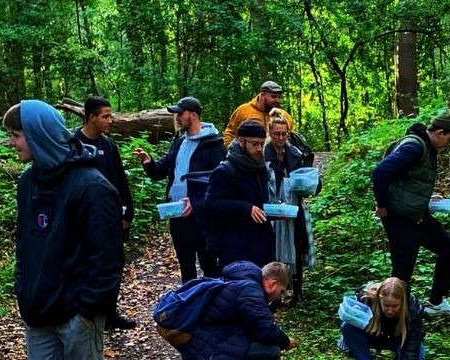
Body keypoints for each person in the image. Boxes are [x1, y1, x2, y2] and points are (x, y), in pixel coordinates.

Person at [3, 100, 127, 360]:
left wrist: (89, 310)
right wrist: (23, 289)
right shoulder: (29, 181)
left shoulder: (91, 185)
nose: (12, 143)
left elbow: (107, 258)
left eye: (17, 135)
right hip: (39, 307)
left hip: (78, 312)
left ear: (38, 136)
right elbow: (25, 243)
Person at [371, 113, 450, 316]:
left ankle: (436, 302)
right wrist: (382, 205)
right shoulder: (414, 147)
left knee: (449, 248)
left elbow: (408, 181)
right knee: (403, 271)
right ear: (440, 132)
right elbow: (381, 172)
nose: (449, 144)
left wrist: (427, 199)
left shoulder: (427, 148)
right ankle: (391, 315)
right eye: (449, 139)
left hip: (417, 215)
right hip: (399, 218)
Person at [177, 261, 295, 360]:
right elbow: (265, 330)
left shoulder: (241, 280)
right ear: (272, 283)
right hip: (204, 345)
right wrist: (286, 342)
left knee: (244, 341)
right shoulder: (251, 291)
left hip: (197, 339)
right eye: (281, 291)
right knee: (270, 353)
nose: (280, 296)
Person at [133, 96, 225, 282]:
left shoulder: (213, 144)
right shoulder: (179, 142)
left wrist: (196, 200)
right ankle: (189, 299)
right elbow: (161, 171)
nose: (177, 118)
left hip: (202, 216)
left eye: (181, 114)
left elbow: (218, 181)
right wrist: (148, 163)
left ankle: (212, 298)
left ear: (194, 115)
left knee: (209, 264)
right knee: (186, 264)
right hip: (178, 214)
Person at [73, 95, 136, 330]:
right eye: (105, 116)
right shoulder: (72, 144)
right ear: (91, 117)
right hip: (81, 218)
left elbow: (120, 182)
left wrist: (127, 214)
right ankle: (84, 311)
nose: (111, 120)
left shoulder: (109, 147)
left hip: (110, 218)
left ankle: (109, 313)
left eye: (111, 116)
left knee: (113, 263)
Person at [204, 120, 275, 268]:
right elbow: (211, 204)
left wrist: (275, 211)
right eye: (254, 144)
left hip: (262, 244)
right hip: (235, 248)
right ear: (241, 141)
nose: (259, 149)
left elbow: (259, 202)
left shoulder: (260, 167)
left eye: (262, 144)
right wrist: (245, 208)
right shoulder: (225, 171)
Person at [264, 108, 317, 304]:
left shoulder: (295, 153)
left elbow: (308, 178)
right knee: (272, 250)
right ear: (270, 133)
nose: (280, 138)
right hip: (272, 209)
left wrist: (307, 184)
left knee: (297, 245)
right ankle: (274, 294)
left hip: (294, 207)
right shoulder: (263, 155)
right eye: (277, 134)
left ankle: (297, 290)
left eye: (284, 134)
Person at [340, 277, 425, 360]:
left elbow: (411, 346)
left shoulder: (412, 308)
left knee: (417, 359)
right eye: (386, 305)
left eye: (395, 306)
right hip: (373, 334)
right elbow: (349, 326)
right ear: (379, 299)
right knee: (348, 326)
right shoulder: (366, 299)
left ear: (403, 302)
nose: (390, 310)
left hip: (398, 339)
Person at [222, 80, 294, 146]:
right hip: (247, 155)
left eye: (279, 97)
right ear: (262, 95)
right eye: (273, 97)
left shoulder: (284, 115)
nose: (277, 100)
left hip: (276, 155)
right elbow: (230, 134)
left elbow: (292, 138)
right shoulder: (243, 111)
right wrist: (233, 151)